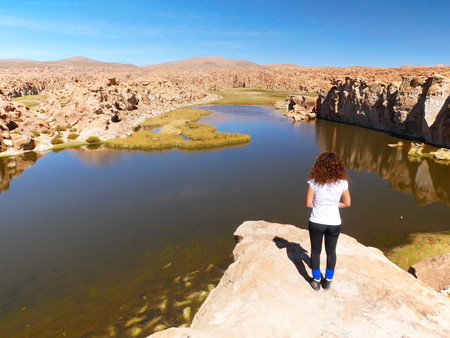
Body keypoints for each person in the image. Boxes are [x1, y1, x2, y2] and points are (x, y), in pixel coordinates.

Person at [305, 151, 351, 291]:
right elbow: (347, 203)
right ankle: (328, 281)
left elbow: (308, 203)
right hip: (334, 223)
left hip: (317, 221)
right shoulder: (342, 183)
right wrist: (332, 205)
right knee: (331, 252)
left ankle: (316, 280)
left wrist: (321, 205)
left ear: (319, 165)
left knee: (315, 251)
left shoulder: (314, 182)